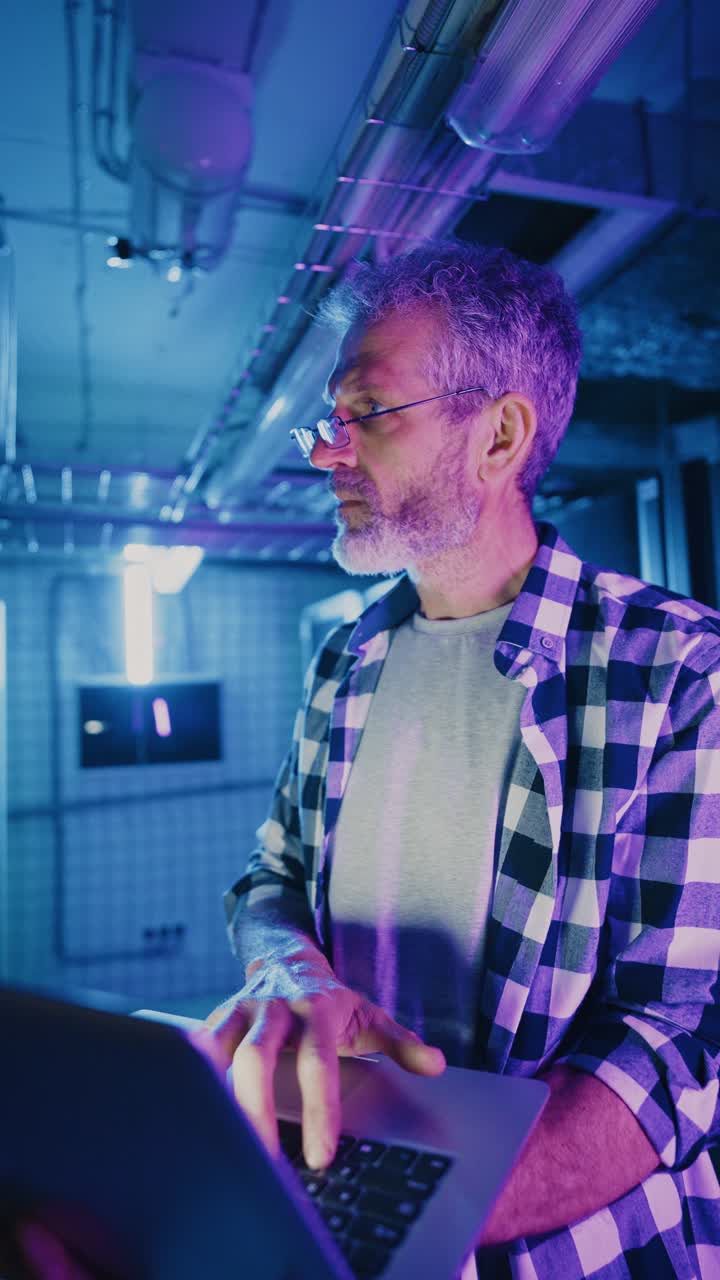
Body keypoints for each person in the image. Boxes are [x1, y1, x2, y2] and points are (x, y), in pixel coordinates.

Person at [197, 242, 720, 1279]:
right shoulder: (346, 660)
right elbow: (273, 879)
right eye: (329, 420)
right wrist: (287, 963)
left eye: (367, 413)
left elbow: (678, 1045)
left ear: (500, 435)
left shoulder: (678, 669)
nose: (326, 453)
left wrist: (395, 1219)